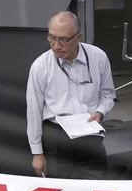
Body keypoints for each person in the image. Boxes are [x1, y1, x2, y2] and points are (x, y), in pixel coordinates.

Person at [26, 11, 116, 179]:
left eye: (63, 39)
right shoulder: (40, 67)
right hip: (56, 135)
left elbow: (108, 94)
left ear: (78, 37)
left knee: (96, 188)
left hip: (89, 131)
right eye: (52, 38)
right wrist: (37, 153)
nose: (56, 45)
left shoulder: (98, 58)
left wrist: (100, 112)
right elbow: (33, 112)